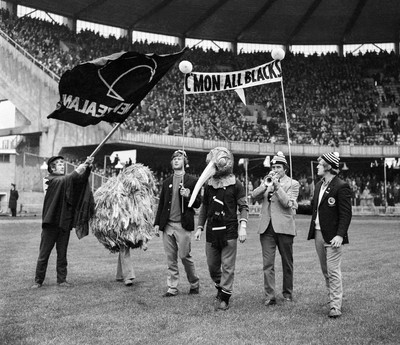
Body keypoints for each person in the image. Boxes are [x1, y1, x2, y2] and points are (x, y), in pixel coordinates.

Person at [193, 147, 249, 311]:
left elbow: (243, 207)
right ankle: (220, 286)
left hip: (229, 230)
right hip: (212, 230)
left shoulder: (236, 184)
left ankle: (225, 296)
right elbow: (204, 207)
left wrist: (243, 226)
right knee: (212, 266)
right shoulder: (209, 185)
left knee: (227, 266)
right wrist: (199, 227)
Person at [298, 152, 352, 318]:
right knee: (325, 270)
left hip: (333, 235)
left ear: (328, 166)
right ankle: (333, 298)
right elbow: (314, 208)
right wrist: (296, 207)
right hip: (318, 233)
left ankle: (335, 306)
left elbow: (346, 214)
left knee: (333, 270)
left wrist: (340, 236)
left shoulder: (341, 186)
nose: (317, 166)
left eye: (320, 164)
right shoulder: (319, 184)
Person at [31, 155, 94, 289]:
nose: (62, 165)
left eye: (62, 163)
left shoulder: (66, 180)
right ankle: (38, 281)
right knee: (44, 254)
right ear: (51, 168)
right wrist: (78, 169)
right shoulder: (50, 180)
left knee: (62, 254)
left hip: (64, 222)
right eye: (59, 164)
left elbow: (79, 181)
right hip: (51, 223)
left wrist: (87, 168)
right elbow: (68, 179)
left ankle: (62, 280)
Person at [251, 152, 300, 306]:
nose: (275, 169)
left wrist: (277, 186)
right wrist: (265, 185)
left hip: (284, 227)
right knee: (267, 264)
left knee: (287, 263)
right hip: (267, 228)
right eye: (273, 167)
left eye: (278, 167)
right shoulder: (266, 181)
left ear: (285, 169)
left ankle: (287, 294)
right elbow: (253, 196)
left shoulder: (293, 184)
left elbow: (287, 203)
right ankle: (270, 296)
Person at [154, 150, 201, 297]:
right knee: (171, 258)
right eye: (174, 158)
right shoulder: (167, 181)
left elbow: (198, 203)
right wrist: (157, 223)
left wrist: (187, 196)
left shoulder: (192, 181)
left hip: (183, 225)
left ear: (185, 162)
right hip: (168, 225)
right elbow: (161, 204)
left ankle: (194, 282)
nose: (176, 160)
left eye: (179, 158)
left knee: (184, 256)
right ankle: (172, 287)